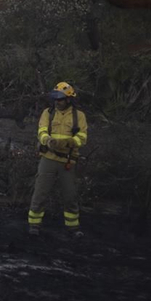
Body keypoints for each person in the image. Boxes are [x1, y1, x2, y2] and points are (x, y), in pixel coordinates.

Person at [28, 81, 88, 237]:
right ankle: (34, 225)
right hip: (48, 158)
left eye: (60, 99)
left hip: (68, 161)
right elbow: (41, 132)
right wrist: (48, 141)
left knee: (70, 195)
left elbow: (82, 138)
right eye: (55, 99)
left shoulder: (79, 116)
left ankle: (73, 227)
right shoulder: (47, 113)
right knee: (40, 193)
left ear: (69, 99)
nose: (57, 102)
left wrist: (68, 142)